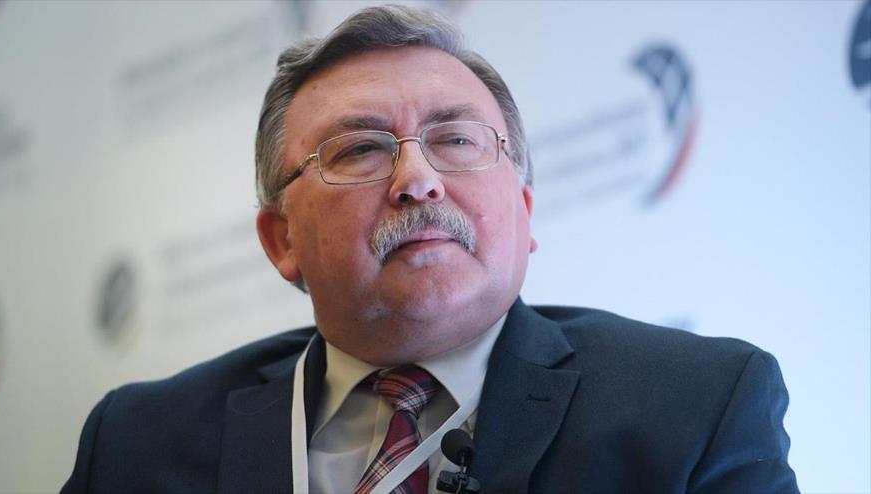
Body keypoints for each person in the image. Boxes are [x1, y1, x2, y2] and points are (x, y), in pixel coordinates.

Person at [62, 5, 798, 493]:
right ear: (281, 240)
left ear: (525, 211)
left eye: (456, 140)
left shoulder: (697, 406)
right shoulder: (137, 445)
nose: (417, 180)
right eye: (360, 149)